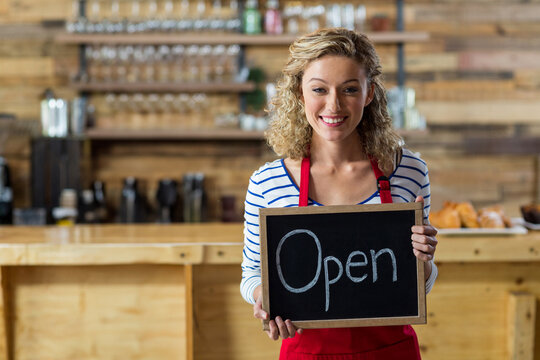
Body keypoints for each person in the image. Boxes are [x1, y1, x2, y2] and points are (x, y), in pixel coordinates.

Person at [240, 27, 438, 359]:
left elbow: (422, 285)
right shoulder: (267, 182)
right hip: (306, 350)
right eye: (319, 89)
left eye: (349, 89)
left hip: (391, 351)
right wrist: (266, 300)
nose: (334, 105)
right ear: (300, 93)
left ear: (369, 92)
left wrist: (426, 260)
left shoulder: (410, 171)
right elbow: (252, 274)